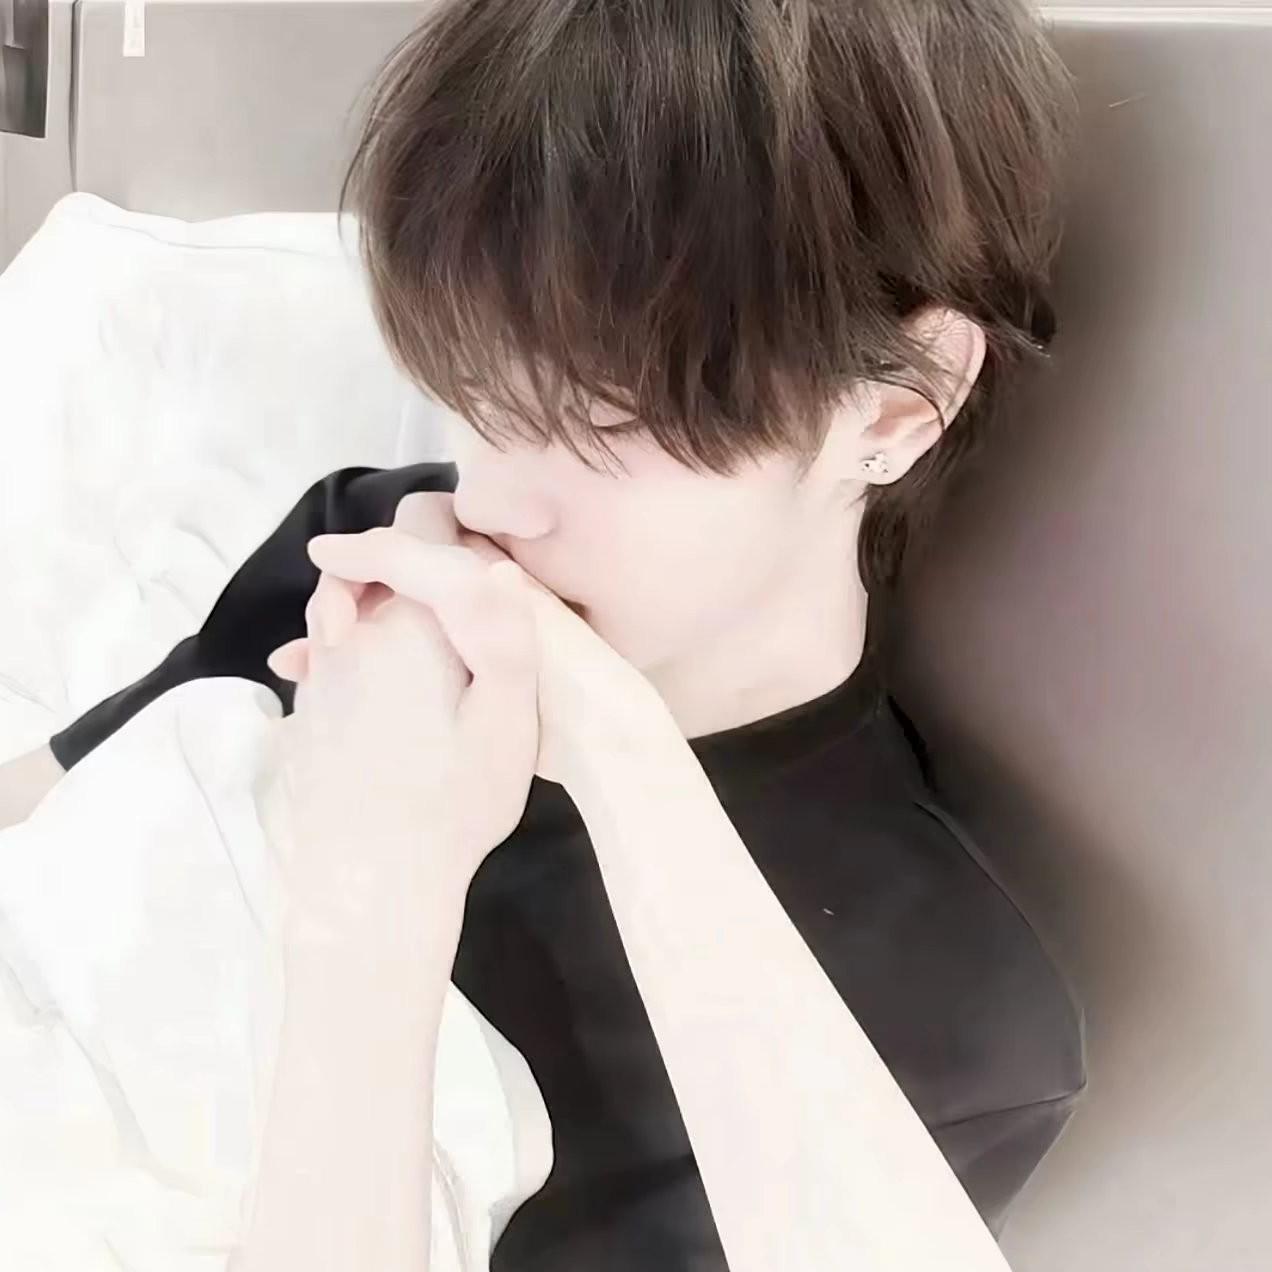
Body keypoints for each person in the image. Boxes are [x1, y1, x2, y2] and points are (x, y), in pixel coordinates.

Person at [0, 0, 1087, 1267]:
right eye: (475, 395)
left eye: (603, 421)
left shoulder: (938, 1025)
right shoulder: (379, 549)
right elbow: (50, 814)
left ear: (896, 408)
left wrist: (376, 906)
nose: (495, 496)